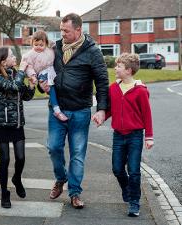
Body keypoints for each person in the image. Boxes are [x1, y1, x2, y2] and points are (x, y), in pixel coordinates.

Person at [39, 13, 109, 209]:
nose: (62, 34)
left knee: (77, 153)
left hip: (80, 111)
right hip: (57, 110)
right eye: (61, 30)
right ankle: (61, 178)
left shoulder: (93, 51)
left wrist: (102, 109)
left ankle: (75, 193)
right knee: (53, 148)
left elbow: (102, 81)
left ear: (78, 30)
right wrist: (41, 85)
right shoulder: (55, 49)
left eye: (66, 31)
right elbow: (44, 74)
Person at [100, 53, 154, 217]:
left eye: (119, 66)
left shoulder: (140, 91)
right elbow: (111, 109)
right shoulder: (113, 88)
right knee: (117, 169)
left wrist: (149, 137)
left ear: (129, 70)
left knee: (134, 170)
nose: (115, 68)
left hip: (135, 136)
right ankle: (127, 189)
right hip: (118, 135)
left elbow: (147, 114)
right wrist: (102, 115)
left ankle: (134, 202)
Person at [0, 46, 36, 208]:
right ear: (3, 60)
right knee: (5, 159)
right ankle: (4, 193)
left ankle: (17, 178)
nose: (15, 57)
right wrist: (22, 72)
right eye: (12, 55)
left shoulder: (15, 74)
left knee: (21, 157)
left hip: (17, 123)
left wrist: (32, 86)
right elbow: (12, 87)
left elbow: (25, 96)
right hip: (1, 124)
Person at [20, 30, 68, 121]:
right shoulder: (30, 55)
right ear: (32, 44)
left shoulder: (50, 49)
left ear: (46, 43)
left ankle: (60, 104)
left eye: (41, 45)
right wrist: (33, 76)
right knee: (51, 89)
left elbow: (56, 46)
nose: (38, 47)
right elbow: (29, 67)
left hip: (51, 71)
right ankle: (56, 110)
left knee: (58, 86)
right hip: (42, 73)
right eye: (36, 45)